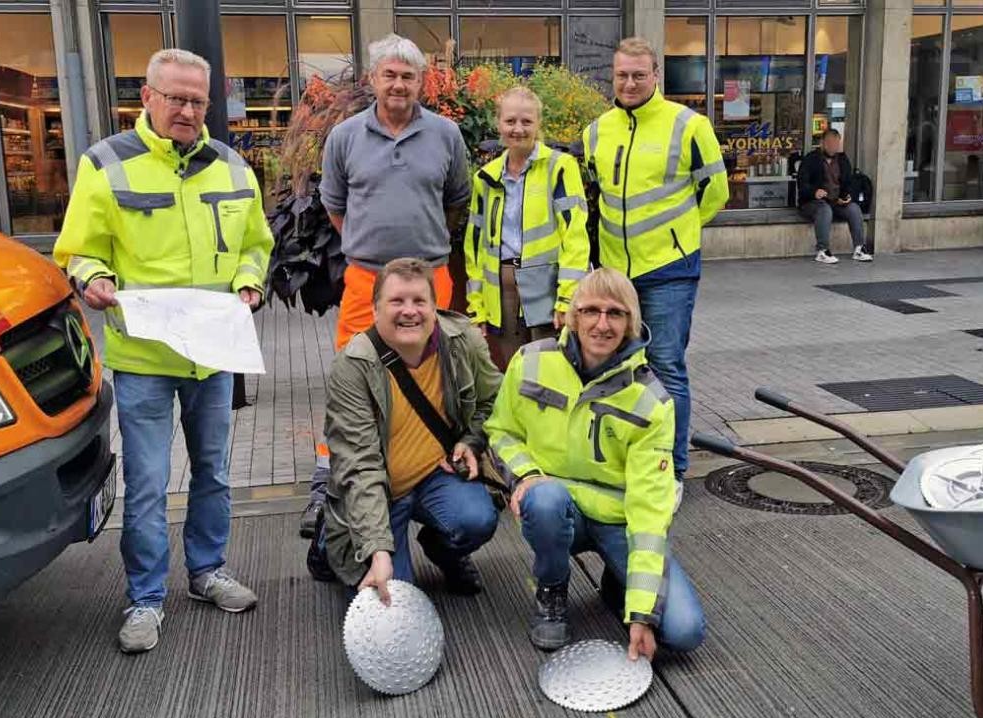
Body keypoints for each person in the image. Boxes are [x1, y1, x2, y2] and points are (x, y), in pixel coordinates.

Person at [54, 49, 273, 654]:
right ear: (146, 97)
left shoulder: (230, 166)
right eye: (175, 97)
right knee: (148, 484)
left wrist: (252, 280)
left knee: (216, 474)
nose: (186, 109)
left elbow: (257, 243)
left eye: (198, 100)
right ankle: (145, 599)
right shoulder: (106, 165)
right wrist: (92, 278)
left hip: (211, 354)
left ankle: (206, 573)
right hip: (145, 358)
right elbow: (80, 248)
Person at [300, 33, 471, 540]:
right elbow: (335, 206)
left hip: (432, 279)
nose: (399, 84)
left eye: (409, 76)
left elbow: (454, 201)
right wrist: (368, 244)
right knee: (351, 376)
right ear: (372, 80)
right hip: (366, 279)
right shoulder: (345, 137)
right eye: (390, 75)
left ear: (423, 82)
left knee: (435, 378)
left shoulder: (446, 135)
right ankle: (329, 480)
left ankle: (437, 474)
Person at [486, 268, 707, 658]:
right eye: (590, 311)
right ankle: (552, 589)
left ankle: (618, 583)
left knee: (683, 633)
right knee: (545, 500)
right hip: (554, 506)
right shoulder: (531, 361)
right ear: (573, 316)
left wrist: (642, 613)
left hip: (618, 519)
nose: (601, 324)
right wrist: (527, 475)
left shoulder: (651, 401)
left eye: (615, 313)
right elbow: (501, 431)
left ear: (631, 323)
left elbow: (649, 512)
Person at [582, 37, 728, 511]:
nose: (628, 83)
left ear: (655, 75)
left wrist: (678, 237)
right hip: (614, 273)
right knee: (618, 369)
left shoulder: (690, 125)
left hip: (668, 270)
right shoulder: (596, 131)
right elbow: (596, 194)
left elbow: (717, 192)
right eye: (621, 75)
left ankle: (674, 469)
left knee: (665, 368)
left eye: (638, 75)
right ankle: (624, 461)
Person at [307, 258, 503, 602]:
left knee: (477, 519)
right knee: (395, 600)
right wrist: (378, 551)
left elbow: (496, 403)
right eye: (397, 301)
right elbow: (360, 463)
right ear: (375, 308)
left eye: (419, 301)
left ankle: (444, 550)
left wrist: (471, 440)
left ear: (434, 306)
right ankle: (334, 537)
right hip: (380, 491)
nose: (409, 311)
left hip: (434, 475)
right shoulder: (353, 366)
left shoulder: (463, 342)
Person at [465, 87, 590, 370]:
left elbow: (575, 236)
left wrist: (568, 296)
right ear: (498, 123)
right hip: (503, 290)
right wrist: (477, 306)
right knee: (515, 372)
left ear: (538, 124)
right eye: (510, 121)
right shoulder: (485, 178)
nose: (518, 129)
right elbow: (475, 247)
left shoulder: (560, 168)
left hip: (548, 288)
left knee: (553, 373)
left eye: (526, 121)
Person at [797, 129, 872, 265]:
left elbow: (849, 183)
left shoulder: (843, 160)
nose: (833, 147)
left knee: (853, 208)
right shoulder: (811, 159)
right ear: (822, 143)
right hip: (813, 202)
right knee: (824, 210)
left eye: (836, 144)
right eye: (830, 143)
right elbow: (802, 185)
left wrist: (847, 196)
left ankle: (859, 248)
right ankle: (823, 250)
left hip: (836, 201)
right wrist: (814, 192)